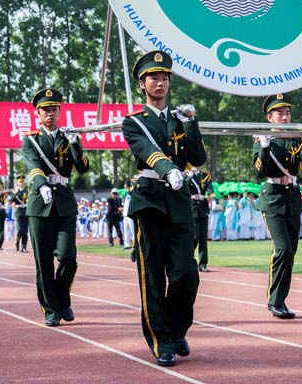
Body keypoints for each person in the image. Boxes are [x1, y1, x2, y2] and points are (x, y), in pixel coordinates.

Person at [122, 50, 207, 367]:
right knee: (153, 277)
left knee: (186, 273)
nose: (160, 82)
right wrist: (168, 168)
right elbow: (145, 149)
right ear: (143, 84)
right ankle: (161, 341)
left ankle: (176, 328)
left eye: (165, 77)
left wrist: (193, 123)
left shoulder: (180, 119)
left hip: (179, 202)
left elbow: (197, 158)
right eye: (154, 77)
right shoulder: (134, 123)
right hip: (150, 202)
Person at [21, 87, 89, 327]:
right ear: (37, 114)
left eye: (54, 109)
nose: (50, 113)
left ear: (60, 111)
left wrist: (74, 144)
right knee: (43, 262)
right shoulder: (30, 139)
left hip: (65, 203)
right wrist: (41, 185)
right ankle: (51, 309)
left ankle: (62, 297)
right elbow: (33, 164)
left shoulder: (69, 136)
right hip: (40, 204)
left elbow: (82, 168)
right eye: (45, 110)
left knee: (68, 257)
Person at [253, 93, 302, 319]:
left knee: (291, 252)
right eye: (279, 113)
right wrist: (263, 148)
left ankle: (281, 299)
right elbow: (260, 171)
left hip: (292, 196)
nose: (284, 116)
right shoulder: (263, 140)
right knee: (282, 249)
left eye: (287, 112)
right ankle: (274, 300)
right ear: (270, 117)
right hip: (272, 198)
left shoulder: (294, 137)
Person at [187, 166, 212, 272]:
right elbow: (183, 188)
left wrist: (209, 197)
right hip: (192, 208)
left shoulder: (205, 176)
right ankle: (187, 260)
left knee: (203, 237)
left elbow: (210, 190)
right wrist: (189, 177)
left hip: (203, 208)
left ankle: (203, 263)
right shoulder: (187, 176)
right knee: (194, 236)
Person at [9, 176, 29, 252]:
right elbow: (11, 200)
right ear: (17, 183)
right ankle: (17, 241)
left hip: (25, 210)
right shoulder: (14, 191)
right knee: (20, 229)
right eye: (20, 182)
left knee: (25, 230)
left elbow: (28, 199)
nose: (21, 183)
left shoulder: (26, 190)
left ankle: (24, 247)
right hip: (18, 210)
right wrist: (16, 192)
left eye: (22, 181)